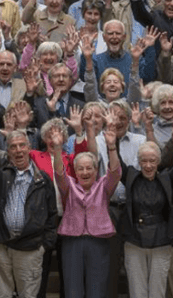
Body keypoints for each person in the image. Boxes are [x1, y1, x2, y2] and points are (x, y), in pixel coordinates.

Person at [0, 100, 59, 298]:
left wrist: (44, 246)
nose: (18, 150)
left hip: (30, 248)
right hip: (1, 246)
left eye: (21, 145)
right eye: (13, 147)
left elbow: (52, 216)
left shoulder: (43, 180)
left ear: (29, 147)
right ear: (7, 151)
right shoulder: (0, 171)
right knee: (1, 294)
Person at [50, 104, 120, 298]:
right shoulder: (69, 186)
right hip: (72, 242)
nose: (85, 172)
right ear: (75, 171)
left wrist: (112, 146)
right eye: (80, 168)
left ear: (96, 170)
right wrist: (58, 148)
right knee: (73, 291)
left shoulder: (103, 186)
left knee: (97, 290)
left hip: (98, 241)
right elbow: (59, 173)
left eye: (89, 168)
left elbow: (115, 172)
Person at [121, 129, 173, 298]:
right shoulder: (131, 177)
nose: (148, 165)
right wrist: (111, 144)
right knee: (137, 291)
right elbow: (116, 164)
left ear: (158, 161)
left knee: (158, 290)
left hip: (161, 240)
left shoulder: (167, 178)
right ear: (139, 162)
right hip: (134, 241)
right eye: (144, 161)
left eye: (152, 161)